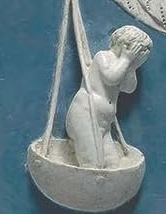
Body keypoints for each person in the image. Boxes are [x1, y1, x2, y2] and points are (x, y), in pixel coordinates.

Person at [65, 25, 152, 169]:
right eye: (136, 55)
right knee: (93, 163)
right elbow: (111, 78)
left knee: (112, 162)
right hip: (86, 114)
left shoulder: (123, 66)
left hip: (104, 125)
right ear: (125, 45)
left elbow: (129, 88)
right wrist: (126, 59)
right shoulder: (103, 56)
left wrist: (131, 68)